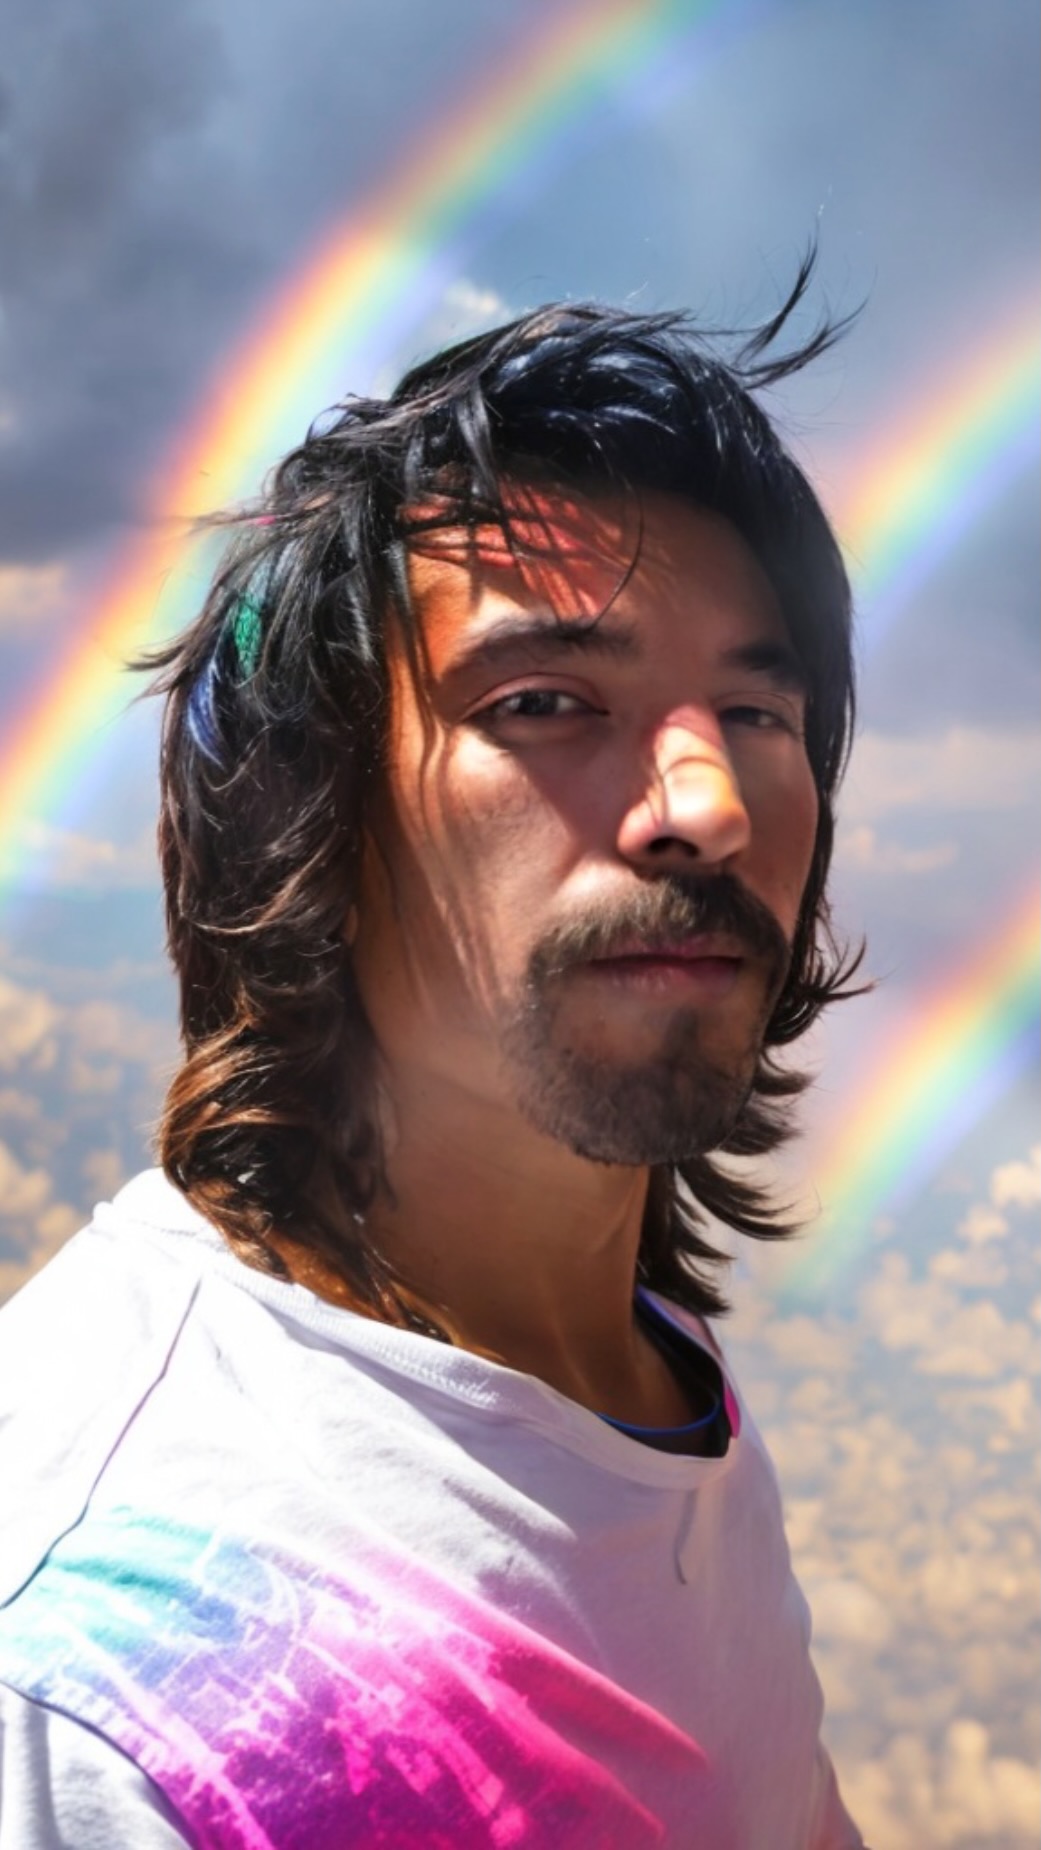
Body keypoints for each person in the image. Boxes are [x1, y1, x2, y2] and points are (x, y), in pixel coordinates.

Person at [0, 275, 867, 1847]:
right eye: (543, 702)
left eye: (756, 708)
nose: (709, 804)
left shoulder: (646, 1385)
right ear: (307, 826)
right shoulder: (87, 1665)